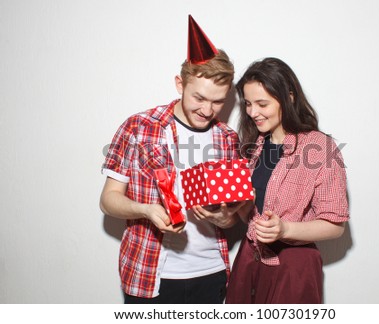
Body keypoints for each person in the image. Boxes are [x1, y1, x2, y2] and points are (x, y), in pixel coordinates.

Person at [100, 15, 244, 304]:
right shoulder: (139, 127)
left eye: (218, 101)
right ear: (180, 84)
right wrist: (147, 210)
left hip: (211, 272)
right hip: (149, 274)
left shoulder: (228, 138)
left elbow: (235, 212)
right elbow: (108, 200)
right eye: (199, 98)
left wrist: (224, 217)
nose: (207, 109)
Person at [226, 57, 350, 304]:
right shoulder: (254, 146)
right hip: (249, 260)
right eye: (248, 104)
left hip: (294, 268)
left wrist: (285, 229)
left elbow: (336, 225)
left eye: (262, 103)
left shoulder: (319, 148)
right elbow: (252, 215)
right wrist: (234, 207)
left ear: (289, 97)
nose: (252, 113)